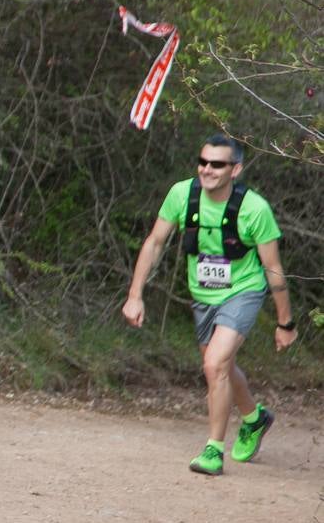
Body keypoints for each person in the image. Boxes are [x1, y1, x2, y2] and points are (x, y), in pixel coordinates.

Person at [122, 133, 297, 475]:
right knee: (222, 367)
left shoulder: (254, 209)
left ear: (236, 170)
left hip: (243, 291)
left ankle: (214, 450)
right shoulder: (181, 194)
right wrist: (135, 295)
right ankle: (254, 418)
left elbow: (273, 270)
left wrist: (285, 322)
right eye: (202, 162)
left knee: (215, 364)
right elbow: (155, 242)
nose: (207, 169)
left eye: (217, 164)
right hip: (202, 295)